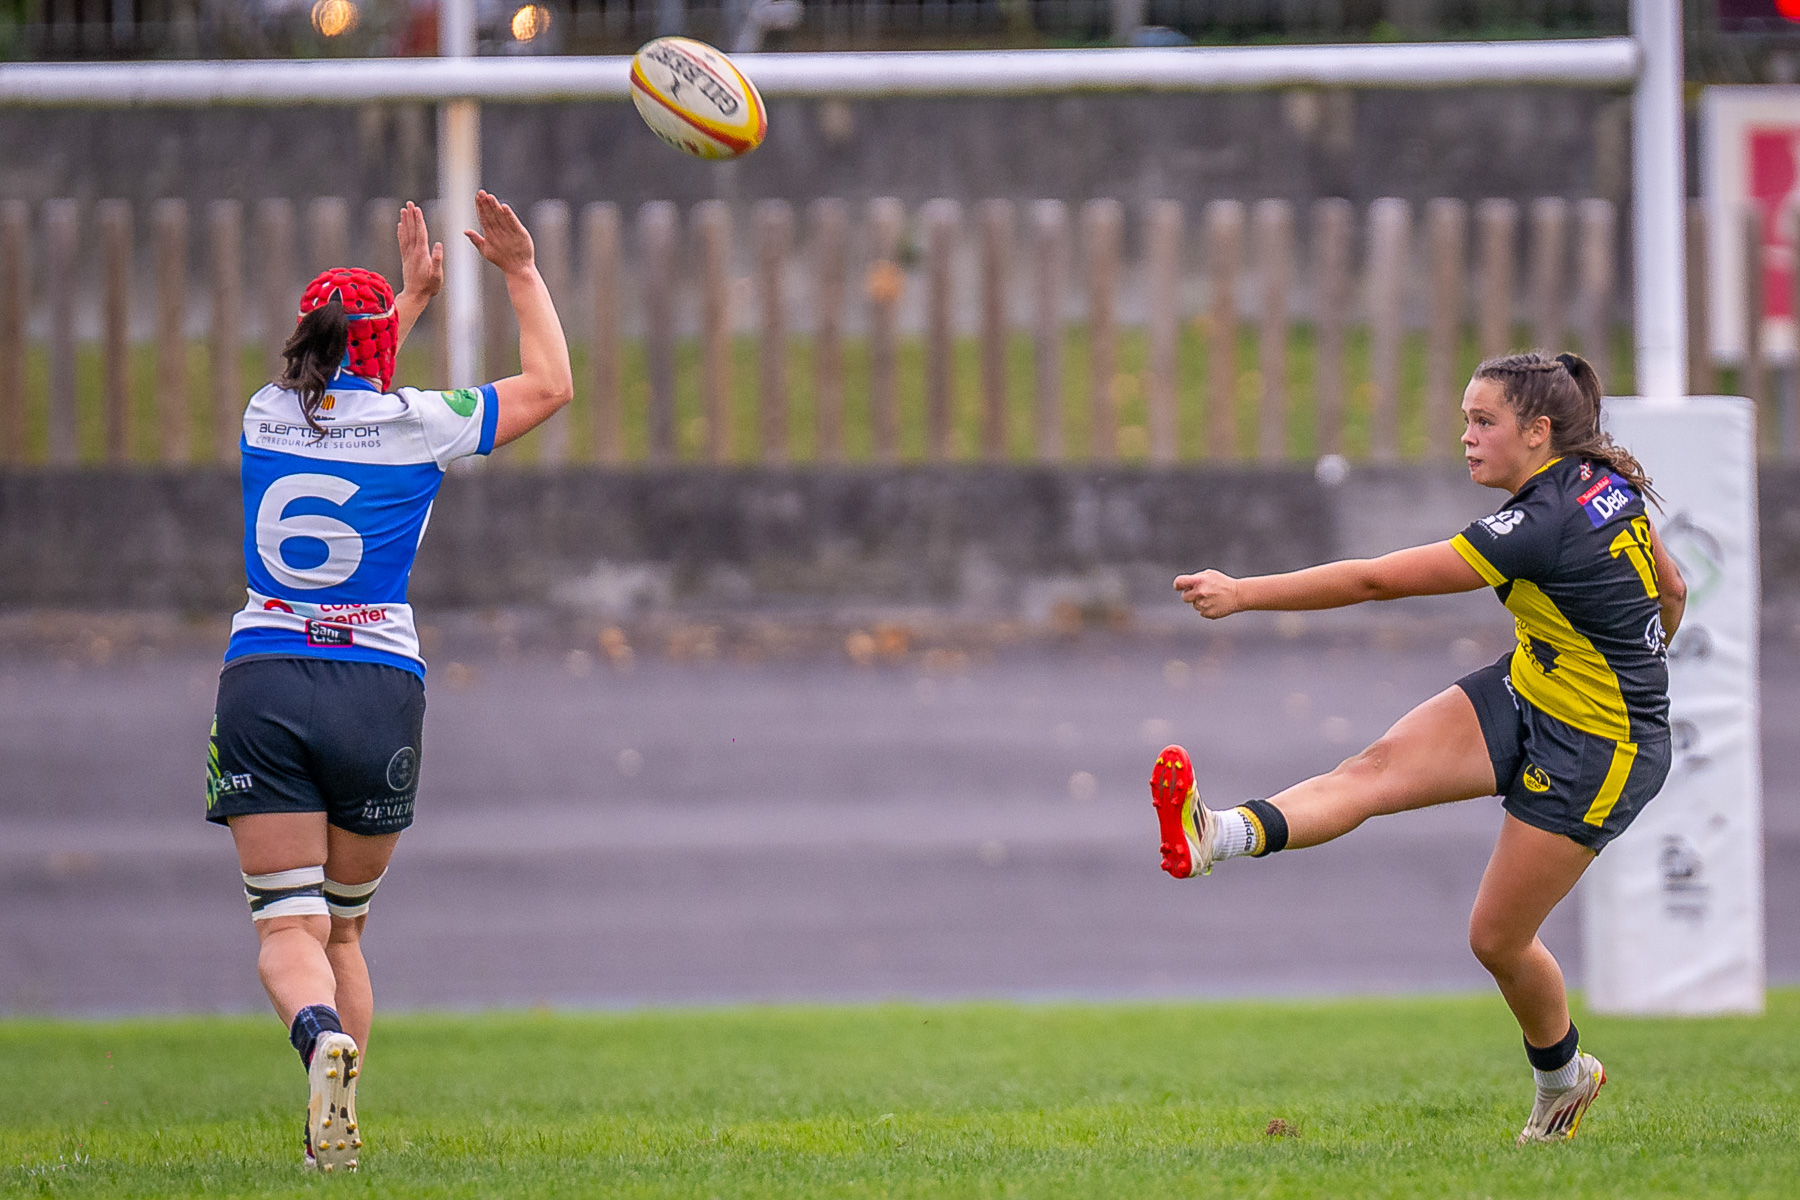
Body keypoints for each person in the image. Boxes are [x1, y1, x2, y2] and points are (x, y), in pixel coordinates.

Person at [1152, 351, 1685, 1145]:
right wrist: (1636, 661)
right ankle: (1215, 833)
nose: (1466, 437)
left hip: (1600, 749)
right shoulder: (1603, 483)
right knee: (1371, 773)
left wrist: (1242, 593)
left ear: (1537, 432)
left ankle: (1565, 1077)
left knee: (1496, 939)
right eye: (1466, 419)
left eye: (1483, 422)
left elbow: (1375, 582)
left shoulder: (1538, 524)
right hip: (1534, 686)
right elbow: (1672, 591)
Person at [204, 191, 573, 1173]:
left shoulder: (263, 414)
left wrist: (402, 303)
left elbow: (339, 380)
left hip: (265, 681)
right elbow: (550, 386)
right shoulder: (422, 423)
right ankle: (335, 1129)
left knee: (287, 925)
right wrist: (520, 271)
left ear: (301, 336)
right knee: (345, 930)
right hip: (376, 690)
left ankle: (315, 1036)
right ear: (381, 352)